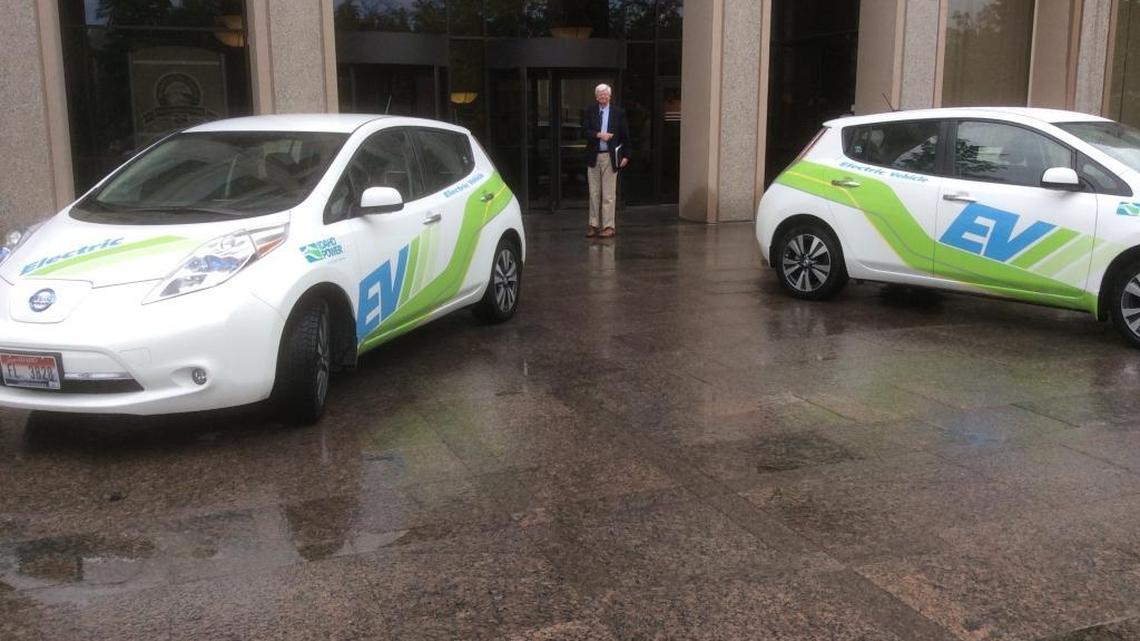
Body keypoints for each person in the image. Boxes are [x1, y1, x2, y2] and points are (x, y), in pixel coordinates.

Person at [583, 84, 631, 238]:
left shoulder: (618, 112)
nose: (603, 97)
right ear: (596, 97)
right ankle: (593, 225)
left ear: (610, 96)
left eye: (605, 95)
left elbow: (625, 135)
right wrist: (598, 135)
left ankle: (609, 227)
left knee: (609, 194)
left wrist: (626, 155)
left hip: (610, 157)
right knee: (594, 193)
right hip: (594, 156)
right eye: (600, 95)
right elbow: (584, 130)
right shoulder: (590, 111)